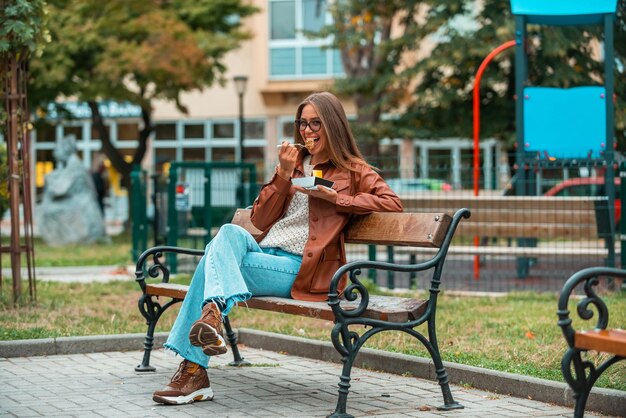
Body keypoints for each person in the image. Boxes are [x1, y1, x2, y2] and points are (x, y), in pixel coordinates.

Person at [152, 91, 403, 405]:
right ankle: (211, 318)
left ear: (334, 126)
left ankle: (194, 369)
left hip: (302, 269)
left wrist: (336, 199)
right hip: (264, 256)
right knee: (228, 233)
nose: (307, 131)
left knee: (210, 263)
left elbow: (392, 203)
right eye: (302, 124)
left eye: (316, 124)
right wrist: (283, 175)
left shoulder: (354, 171)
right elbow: (259, 218)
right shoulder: (294, 163)